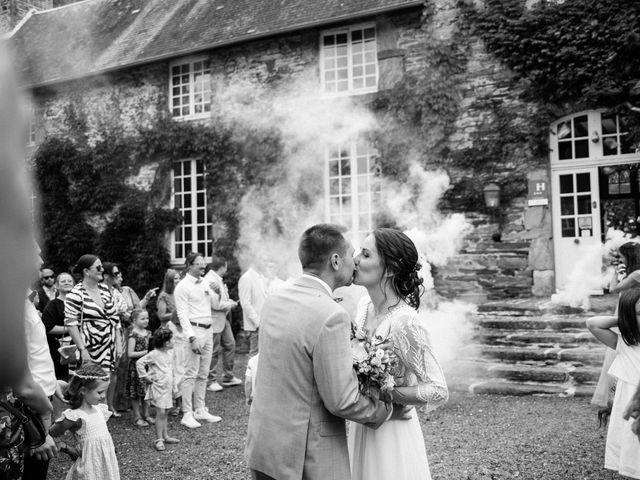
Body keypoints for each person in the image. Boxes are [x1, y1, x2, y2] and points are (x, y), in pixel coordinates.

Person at [246, 224, 392, 480]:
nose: (355, 262)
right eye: (351, 255)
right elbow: (341, 400)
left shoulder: (274, 300)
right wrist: (385, 409)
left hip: (264, 447)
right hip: (305, 458)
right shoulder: (331, 316)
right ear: (335, 261)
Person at [347, 228, 449, 480]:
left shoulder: (405, 321)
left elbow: (438, 389)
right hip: (364, 424)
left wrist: (391, 394)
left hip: (392, 434)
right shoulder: (363, 307)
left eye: (366, 254)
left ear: (390, 268)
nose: (355, 258)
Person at [587, 289, 640, 479]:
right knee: (633, 446)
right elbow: (593, 324)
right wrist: (624, 319)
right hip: (630, 402)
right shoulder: (625, 344)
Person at [64, 255, 120, 416]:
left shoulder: (104, 290)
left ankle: (101, 422)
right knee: (90, 388)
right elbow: (71, 323)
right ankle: (85, 422)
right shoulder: (76, 294)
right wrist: (83, 349)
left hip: (107, 347)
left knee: (103, 385)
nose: (102, 270)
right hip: (89, 348)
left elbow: (115, 319)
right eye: (98, 267)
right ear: (86, 271)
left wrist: (117, 344)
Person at [174, 252, 225, 428]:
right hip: (194, 331)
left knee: (203, 373)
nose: (203, 266)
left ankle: (200, 409)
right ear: (189, 265)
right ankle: (186, 413)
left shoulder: (205, 282)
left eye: (204, 263)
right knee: (190, 373)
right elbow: (182, 314)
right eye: (199, 264)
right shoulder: (182, 287)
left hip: (208, 329)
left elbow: (215, 305)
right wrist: (191, 337)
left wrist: (217, 293)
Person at [49, 364, 120, 480]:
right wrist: (65, 447)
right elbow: (51, 433)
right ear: (83, 391)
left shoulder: (99, 409)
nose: (103, 396)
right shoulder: (76, 416)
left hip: (106, 466)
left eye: (105, 392)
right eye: (100, 392)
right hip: (89, 470)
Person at [593, 241, 640, 410]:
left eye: (621, 257)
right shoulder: (634, 274)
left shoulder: (635, 274)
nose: (621, 260)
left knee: (622, 351)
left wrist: (615, 273)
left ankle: (620, 395)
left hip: (629, 314)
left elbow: (613, 289)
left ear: (629, 256)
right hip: (628, 310)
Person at [136, 328, 180, 452]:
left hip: (168, 387)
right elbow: (139, 363)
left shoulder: (170, 354)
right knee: (160, 413)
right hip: (158, 387)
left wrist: (175, 386)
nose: (174, 341)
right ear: (166, 343)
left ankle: (165, 435)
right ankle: (159, 439)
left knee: (165, 412)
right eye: (172, 339)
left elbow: (171, 371)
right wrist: (145, 377)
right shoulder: (154, 354)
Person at [205, 256, 240, 392]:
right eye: (226, 267)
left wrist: (228, 300)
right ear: (222, 267)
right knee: (213, 350)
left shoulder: (217, 279)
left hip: (222, 319)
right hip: (214, 319)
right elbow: (215, 304)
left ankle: (228, 376)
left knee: (230, 345)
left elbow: (221, 298)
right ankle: (210, 380)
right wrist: (230, 305)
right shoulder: (211, 280)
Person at [156, 269, 185, 415]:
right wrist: (177, 312)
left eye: (179, 278)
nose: (178, 281)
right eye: (175, 279)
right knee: (171, 369)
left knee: (182, 367)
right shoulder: (164, 296)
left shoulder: (180, 293)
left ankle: (183, 401)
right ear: (169, 281)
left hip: (181, 331)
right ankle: (173, 402)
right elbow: (161, 315)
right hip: (168, 332)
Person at [41, 272, 75, 380]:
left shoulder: (79, 303)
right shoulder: (52, 305)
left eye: (69, 281)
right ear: (57, 285)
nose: (67, 283)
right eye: (63, 281)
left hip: (79, 348)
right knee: (62, 380)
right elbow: (48, 327)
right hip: (59, 350)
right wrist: (72, 330)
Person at [126, 309, 153, 427]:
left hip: (147, 367)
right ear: (134, 320)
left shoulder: (149, 333)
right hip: (135, 368)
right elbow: (130, 354)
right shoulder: (133, 334)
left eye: (147, 318)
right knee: (136, 393)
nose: (146, 321)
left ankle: (146, 414)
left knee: (146, 391)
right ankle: (137, 416)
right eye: (142, 319)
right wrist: (146, 352)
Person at [238, 259, 268, 356]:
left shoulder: (261, 277)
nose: (266, 263)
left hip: (264, 322)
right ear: (256, 261)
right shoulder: (246, 278)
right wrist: (257, 322)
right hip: (256, 325)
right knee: (254, 355)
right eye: (264, 260)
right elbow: (245, 303)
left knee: (262, 354)